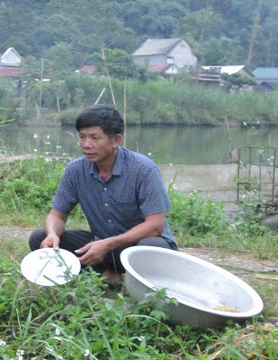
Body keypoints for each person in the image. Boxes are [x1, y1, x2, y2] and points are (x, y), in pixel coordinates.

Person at [28, 105, 177, 283]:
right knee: (39, 238)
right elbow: (57, 214)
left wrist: (108, 244)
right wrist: (52, 233)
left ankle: (128, 278)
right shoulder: (75, 170)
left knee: (150, 247)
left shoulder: (143, 169)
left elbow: (155, 226)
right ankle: (105, 274)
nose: (86, 144)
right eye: (82, 137)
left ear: (116, 140)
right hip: (101, 246)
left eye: (94, 138)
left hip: (138, 245)